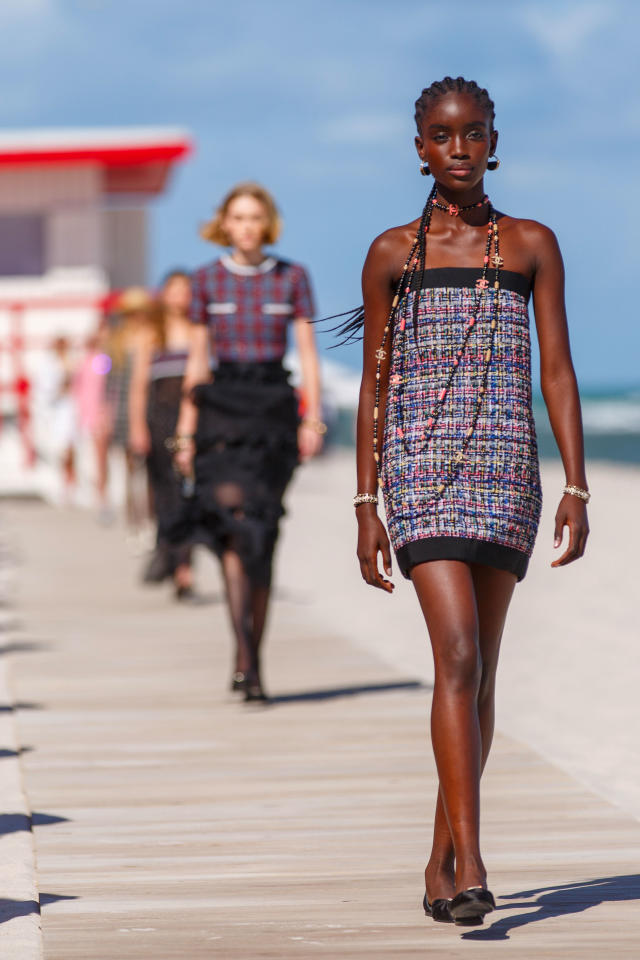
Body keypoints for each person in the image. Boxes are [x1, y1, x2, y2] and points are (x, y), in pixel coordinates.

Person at [351, 77, 589, 926]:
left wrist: (576, 484)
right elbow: (374, 388)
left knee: (479, 672)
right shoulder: (391, 254)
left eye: (474, 134)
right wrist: (364, 501)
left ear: (494, 139)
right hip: (417, 473)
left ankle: (439, 855)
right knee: (455, 653)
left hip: (504, 474)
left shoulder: (530, 245)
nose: (459, 148)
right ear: (419, 146)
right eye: (443, 136)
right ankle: (478, 867)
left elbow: (556, 370)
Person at [172, 182, 324, 701]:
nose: (247, 227)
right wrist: (185, 431)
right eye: (238, 217)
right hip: (220, 408)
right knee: (231, 526)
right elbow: (197, 359)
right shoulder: (205, 280)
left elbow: (307, 353)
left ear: (268, 223)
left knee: (261, 534)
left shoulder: (292, 277)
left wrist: (313, 418)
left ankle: (251, 656)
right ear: (224, 223)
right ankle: (246, 656)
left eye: (255, 217)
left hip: (272, 410)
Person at [128, 270, 196, 599]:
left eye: (186, 290)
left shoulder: (200, 330)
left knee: (189, 492)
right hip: (159, 419)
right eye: (175, 290)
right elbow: (139, 388)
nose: (180, 296)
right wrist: (137, 427)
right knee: (164, 490)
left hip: (193, 420)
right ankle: (167, 548)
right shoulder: (150, 334)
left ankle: (184, 567)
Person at [105, 288, 155, 545]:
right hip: (123, 410)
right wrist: (106, 414)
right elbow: (109, 381)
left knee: (149, 471)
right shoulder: (116, 342)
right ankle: (133, 523)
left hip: (149, 407)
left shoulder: (155, 338)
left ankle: (149, 521)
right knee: (127, 470)